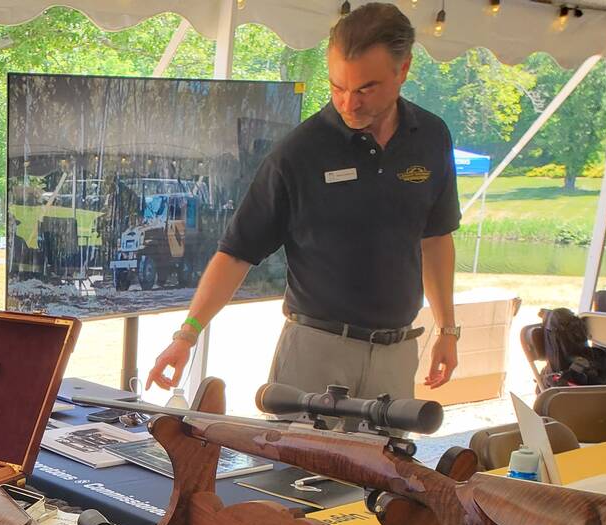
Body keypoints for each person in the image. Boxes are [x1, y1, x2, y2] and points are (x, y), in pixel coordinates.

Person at [146, 2, 460, 402]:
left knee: (391, 447)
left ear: (404, 69)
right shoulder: (299, 152)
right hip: (316, 351)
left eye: (365, 89)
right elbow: (237, 252)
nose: (349, 104)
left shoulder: (432, 137)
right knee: (298, 448)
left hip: (396, 353)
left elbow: (436, 237)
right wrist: (186, 335)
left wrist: (447, 330)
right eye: (337, 87)